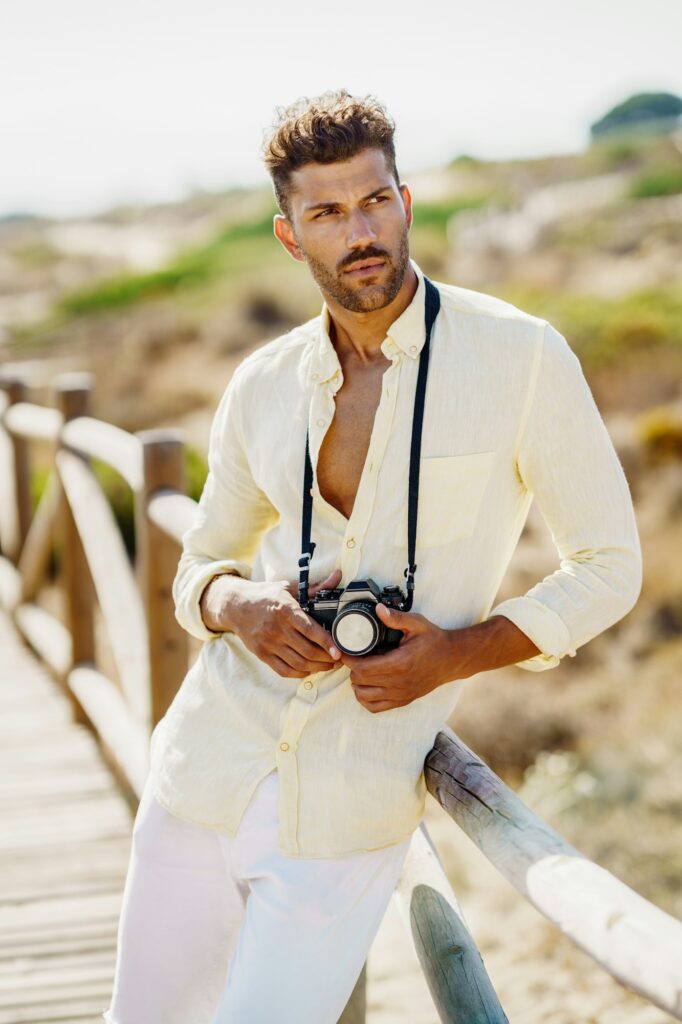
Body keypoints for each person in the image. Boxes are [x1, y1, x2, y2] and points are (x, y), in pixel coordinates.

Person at [103, 89, 642, 1023]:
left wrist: (458, 653)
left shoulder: (521, 356)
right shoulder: (262, 383)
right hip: (203, 773)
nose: (361, 231)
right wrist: (242, 608)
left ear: (404, 196)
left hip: (349, 811)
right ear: (289, 235)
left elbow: (610, 565)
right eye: (327, 212)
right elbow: (201, 563)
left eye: (375, 200)